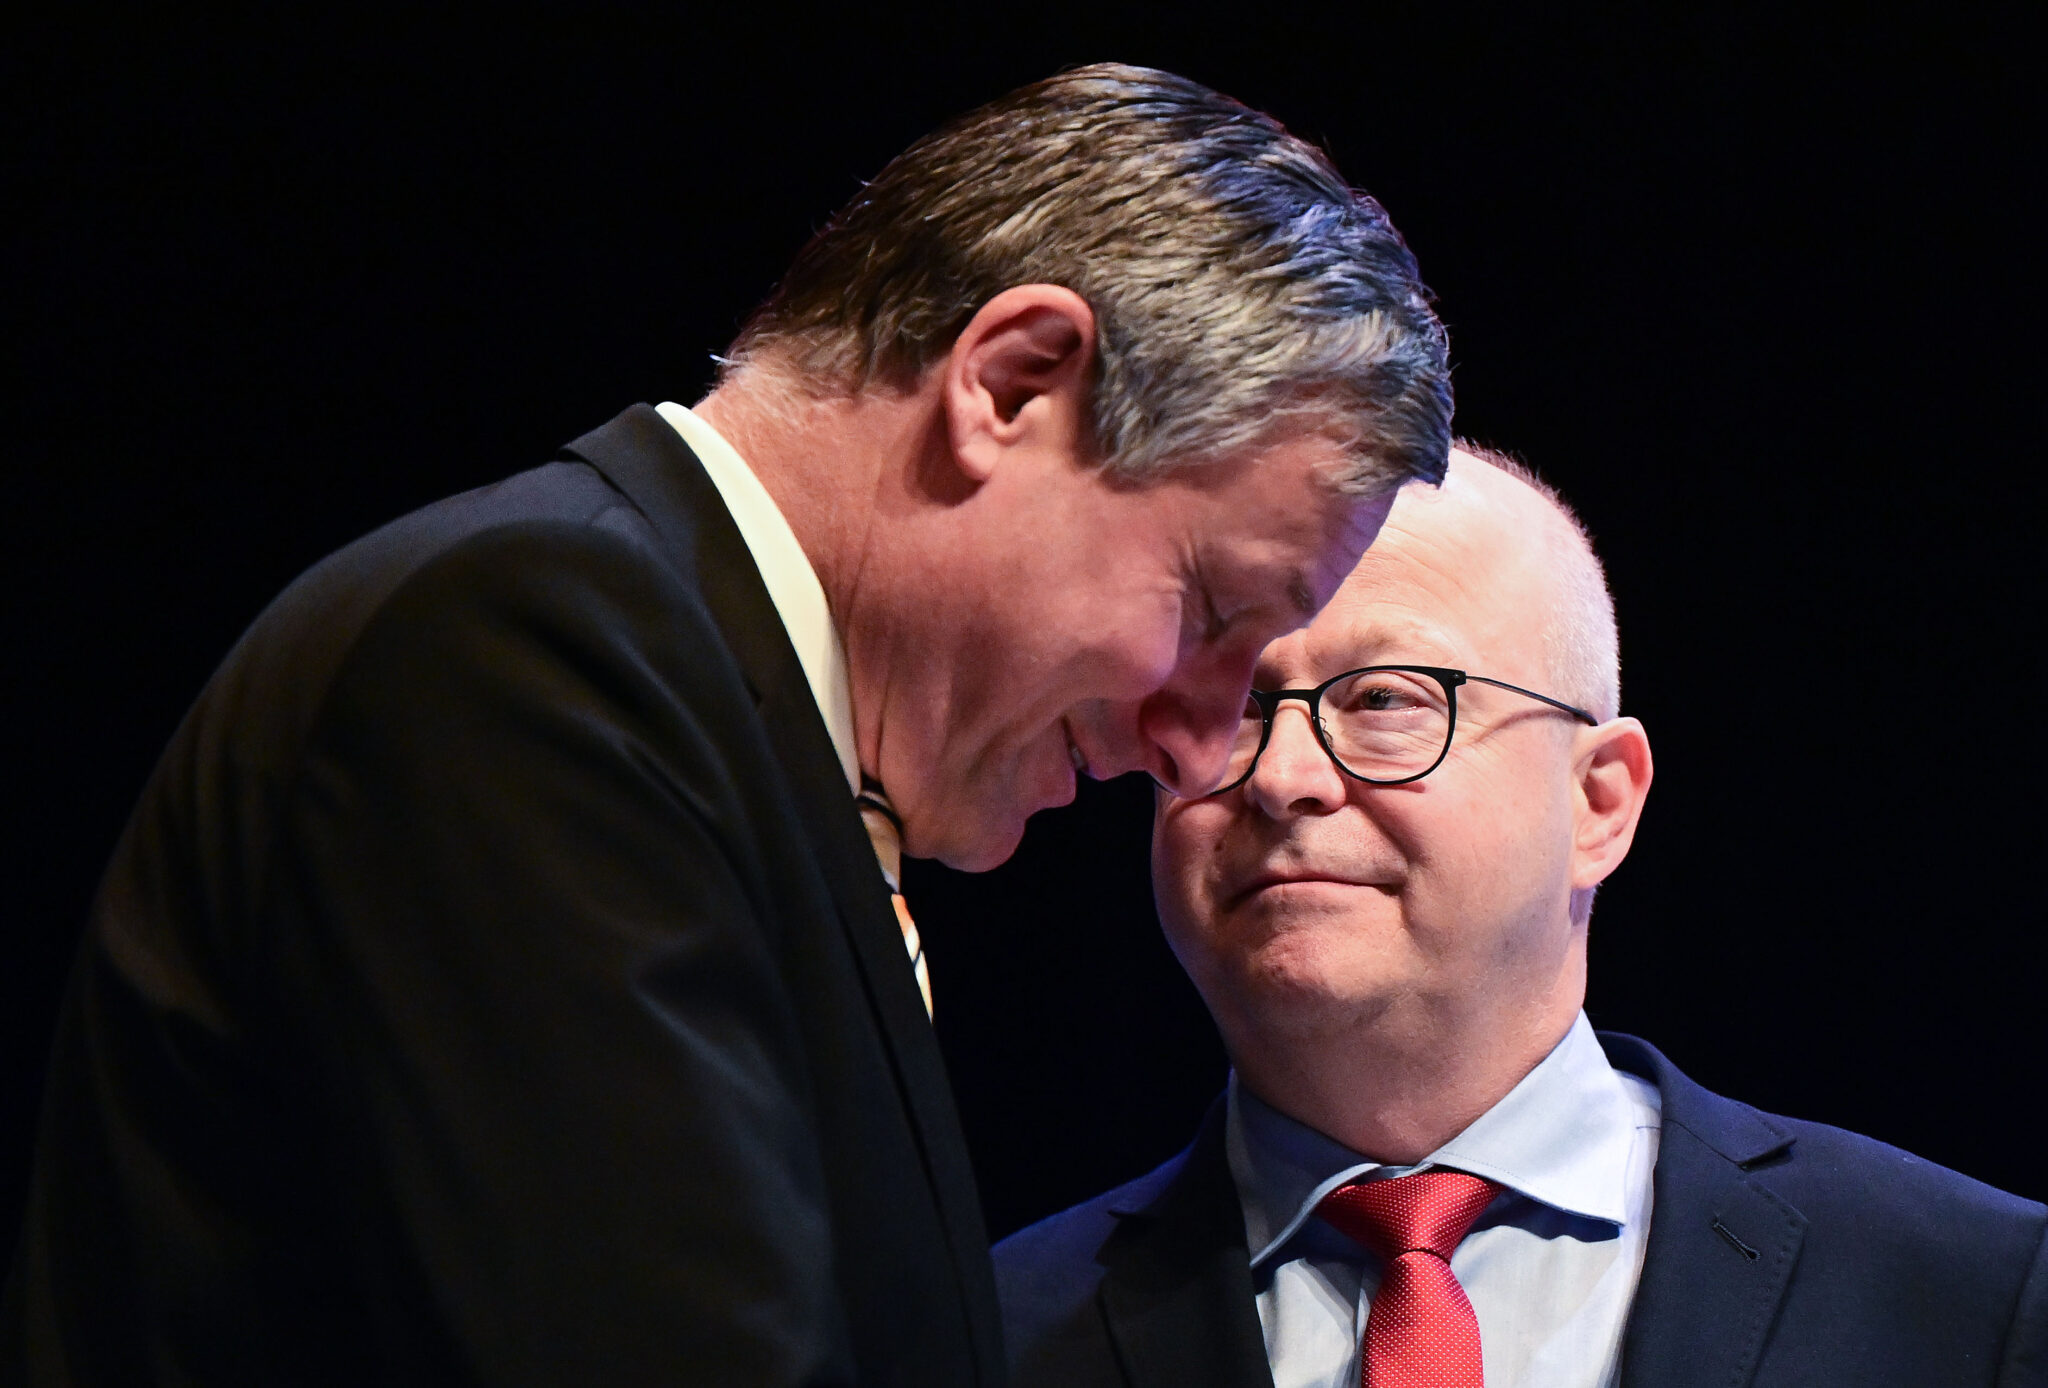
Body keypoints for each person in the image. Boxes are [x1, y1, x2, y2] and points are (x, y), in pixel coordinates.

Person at [3, 65, 1455, 1385]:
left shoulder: (736, 731)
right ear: (1012, 385)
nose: (1199, 749)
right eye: (1210, 613)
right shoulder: (531, 655)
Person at [994, 448, 2047, 1387]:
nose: (1281, 776)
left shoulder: (1972, 1290)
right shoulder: (985, 1330)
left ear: (1597, 801)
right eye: (1231, 711)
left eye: (1382, 700)